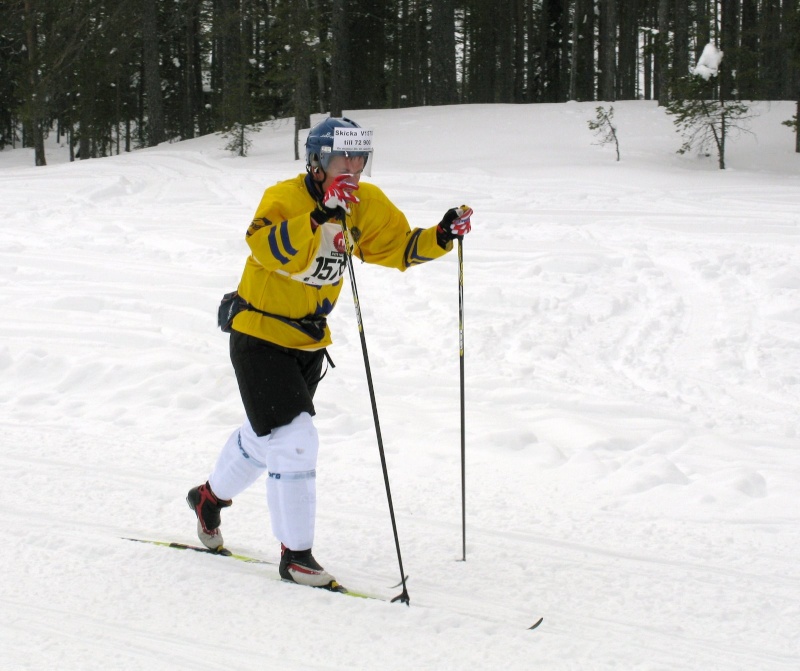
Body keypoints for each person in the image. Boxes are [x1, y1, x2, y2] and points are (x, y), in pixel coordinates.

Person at [187, 116, 472, 591]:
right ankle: (296, 556)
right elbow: (266, 248)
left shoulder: (365, 203)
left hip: (308, 342)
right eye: (344, 158)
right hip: (259, 334)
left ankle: (208, 499)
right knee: (296, 439)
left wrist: (442, 235)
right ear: (317, 161)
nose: (354, 168)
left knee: (267, 438)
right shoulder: (283, 198)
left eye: (361, 158)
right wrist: (319, 217)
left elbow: (397, 248)